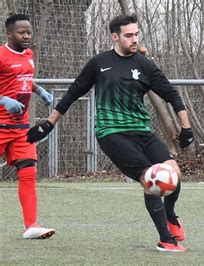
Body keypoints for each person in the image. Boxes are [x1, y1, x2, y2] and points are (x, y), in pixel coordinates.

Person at [26, 14, 194, 252]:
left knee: (173, 172)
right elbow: (74, 92)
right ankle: (166, 240)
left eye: (136, 34)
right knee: (151, 178)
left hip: (142, 131)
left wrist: (186, 128)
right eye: (128, 35)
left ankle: (170, 215)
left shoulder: (145, 65)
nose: (134, 39)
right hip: (111, 132)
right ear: (115, 37)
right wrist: (49, 124)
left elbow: (171, 94)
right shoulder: (99, 63)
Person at [0, 14, 55, 239]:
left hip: (21, 128)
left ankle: (31, 225)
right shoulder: (1, 55)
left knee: (28, 172)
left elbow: (22, 78)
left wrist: (39, 90)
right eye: (22, 32)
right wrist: (3, 99)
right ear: (9, 34)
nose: (27, 36)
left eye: (29, 32)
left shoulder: (29, 55)